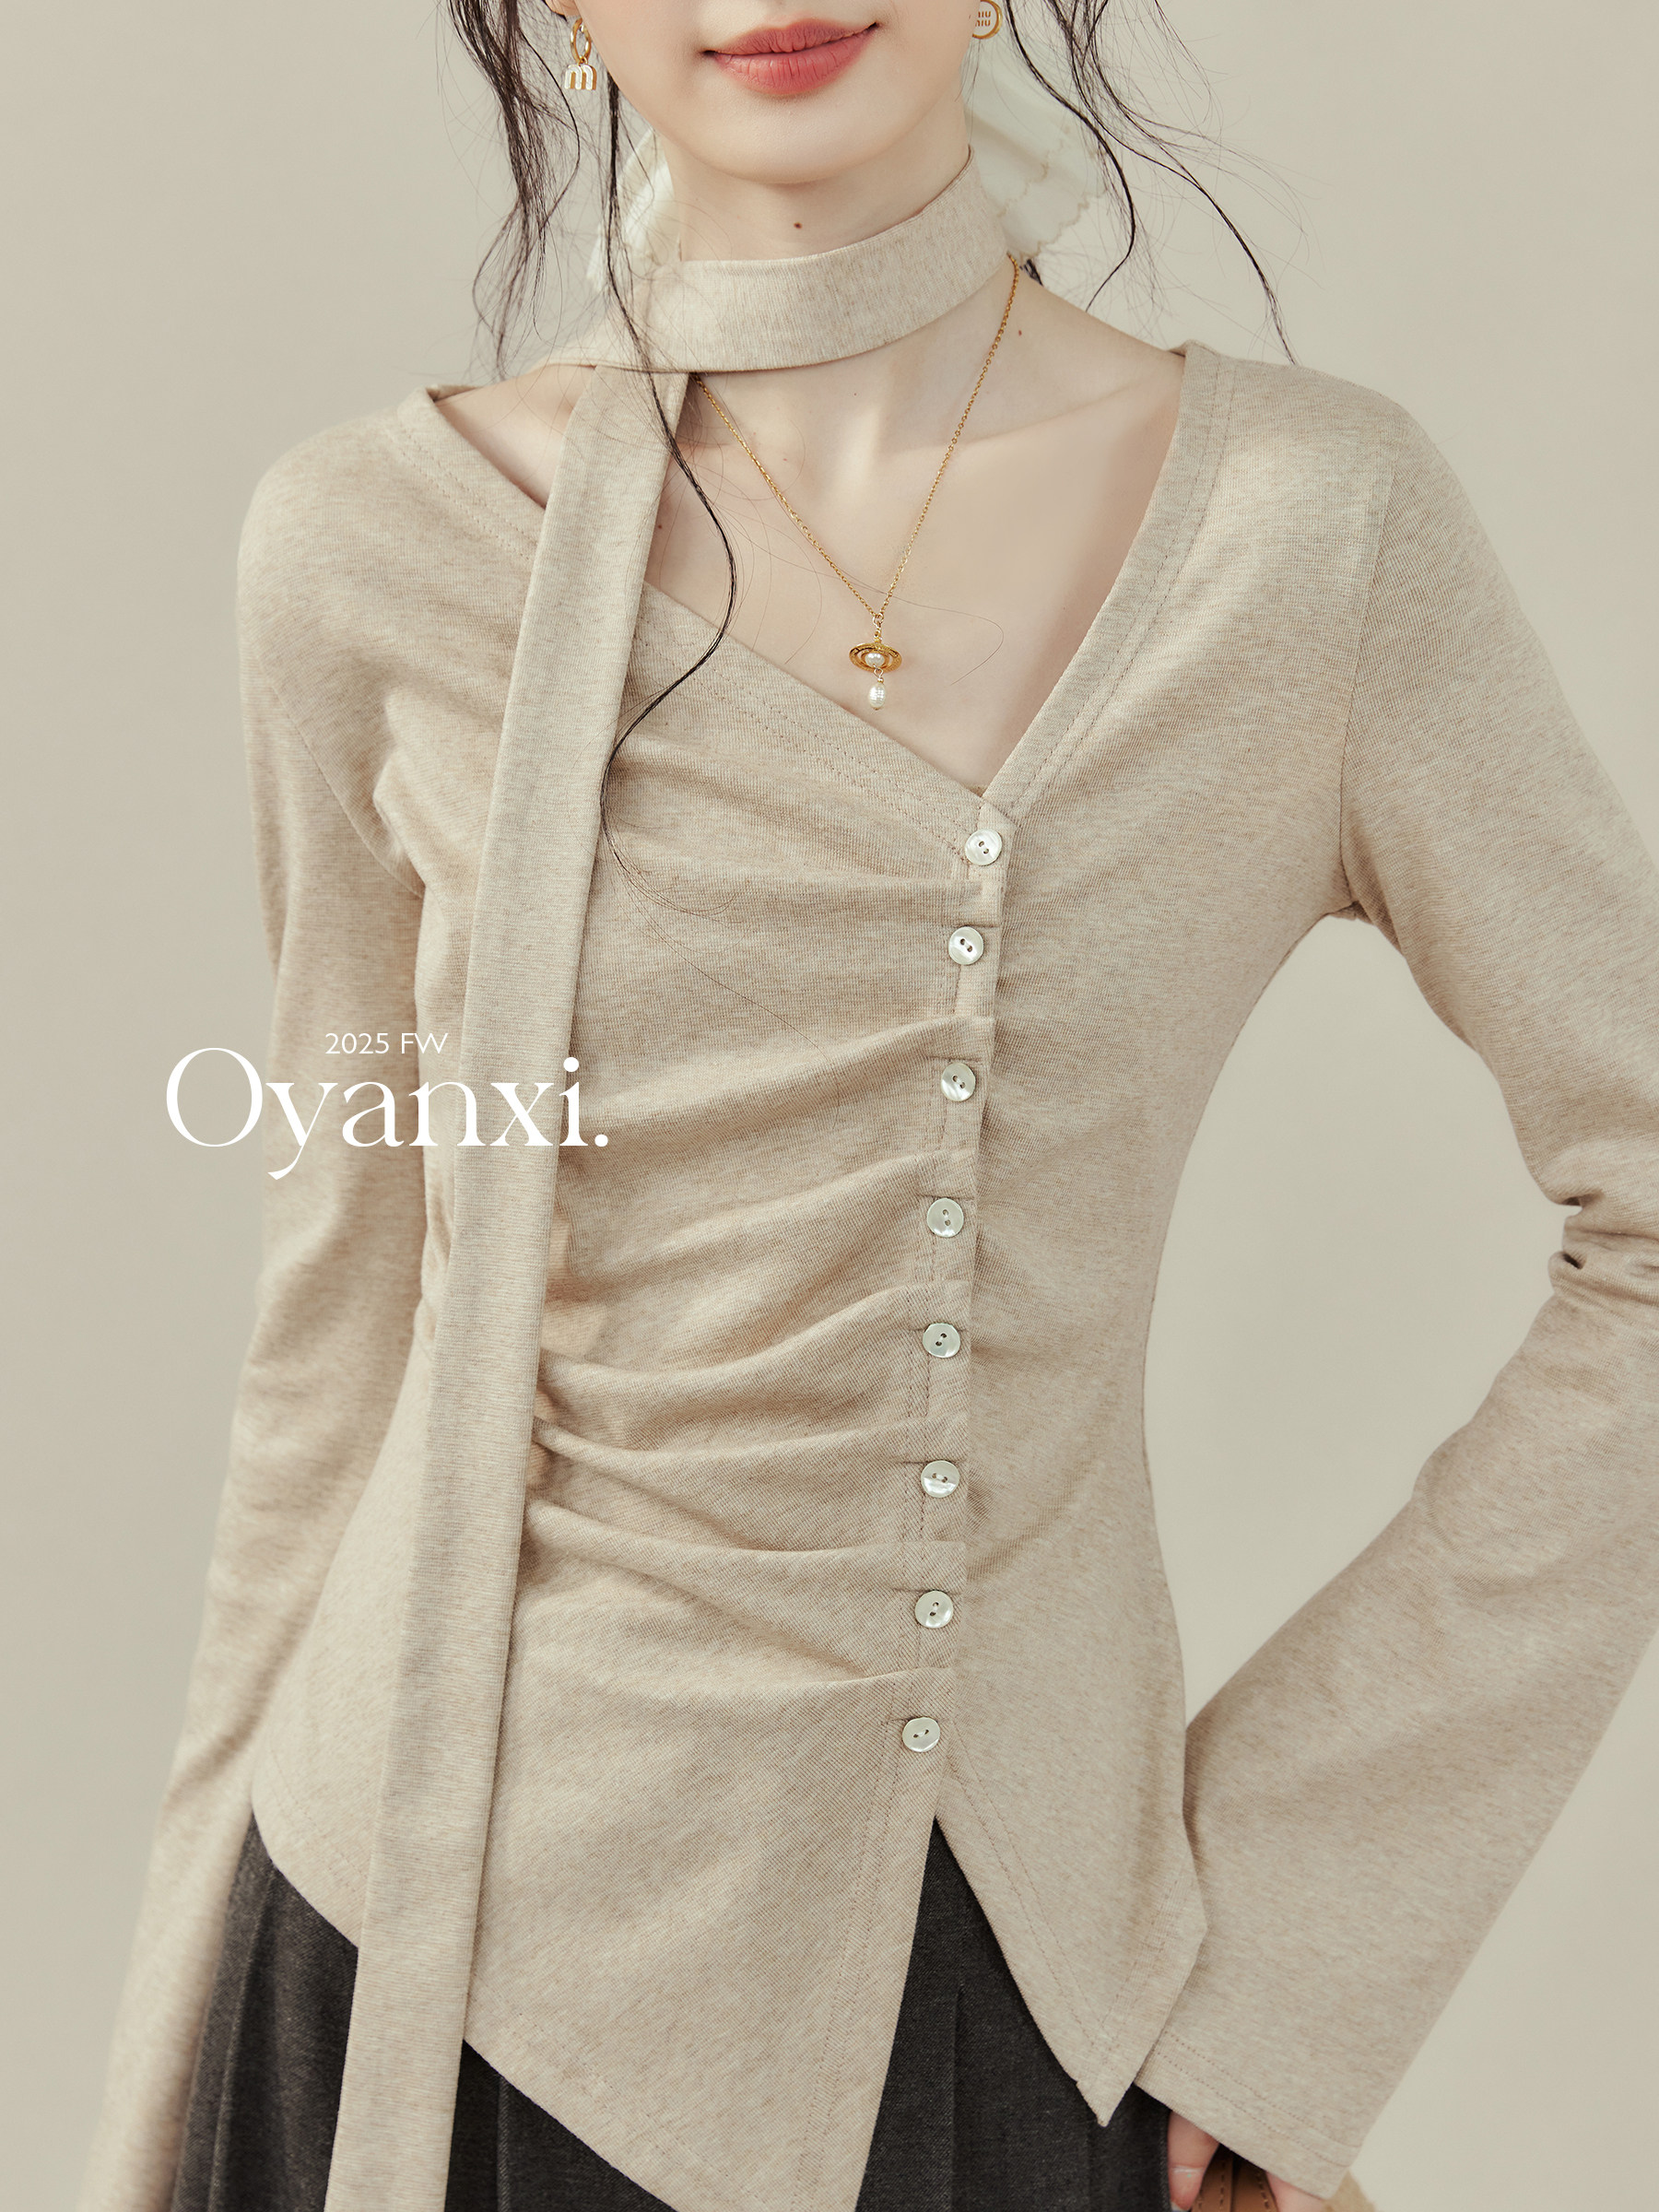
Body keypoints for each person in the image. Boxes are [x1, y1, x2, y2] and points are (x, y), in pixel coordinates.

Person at [78, 6, 1659, 2212]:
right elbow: (342, 1346)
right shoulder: (368, 549)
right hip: (407, 1982)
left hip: (1006, 1988)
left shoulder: (1310, 533)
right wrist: (156, 2114)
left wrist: (1292, 1951)